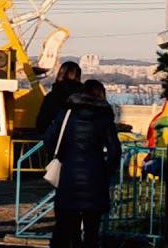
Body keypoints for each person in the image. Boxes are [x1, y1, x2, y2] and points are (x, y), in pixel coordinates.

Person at [43, 79, 121, 248]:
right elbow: (115, 151)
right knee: (92, 231)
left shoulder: (67, 113)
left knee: (69, 228)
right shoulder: (105, 117)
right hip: (95, 177)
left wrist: (61, 156)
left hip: (69, 176)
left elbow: (49, 139)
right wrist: (106, 171)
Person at [36, 61, 83, 134]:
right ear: (78, 76)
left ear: (60, 75)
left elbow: (41, 125)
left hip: (56, 141)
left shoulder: (51, 97)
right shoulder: (85, 98)